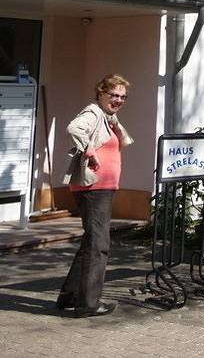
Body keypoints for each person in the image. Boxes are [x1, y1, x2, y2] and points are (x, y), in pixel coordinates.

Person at [56, 73, 134, 317]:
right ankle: (88, 304)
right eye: (113, 95)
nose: (118, 100)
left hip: (102, 188)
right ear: (100, 93)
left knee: (91, 241)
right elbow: (74, 128)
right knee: (99, 245)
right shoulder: (93, 113)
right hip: (93, 188)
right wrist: (89, 150)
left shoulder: (109, 118)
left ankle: (69, 297)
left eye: (122, 96)